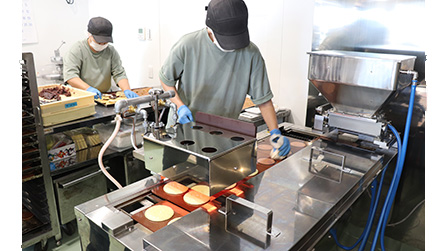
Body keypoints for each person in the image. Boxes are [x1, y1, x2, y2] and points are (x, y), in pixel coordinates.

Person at [159, 0, 290, 159]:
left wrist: (275, 132)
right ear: (210, 28)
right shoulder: (188, 45)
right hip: (184, 132)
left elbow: (263, 100)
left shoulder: (251, 54)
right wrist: (179, 106)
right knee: (176, 180)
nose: (232, 46)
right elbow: (166, 80)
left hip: (222, 135)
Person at [63, 17, 138, 99]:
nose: (102, 45)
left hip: (104, 95)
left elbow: (119, 74)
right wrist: (88, 89)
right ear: (89, 34)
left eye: (105, 42)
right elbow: (71, 76)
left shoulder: (111, 51)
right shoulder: (77, 49)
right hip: (81, 96)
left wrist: (127, 89)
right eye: (98, 42)